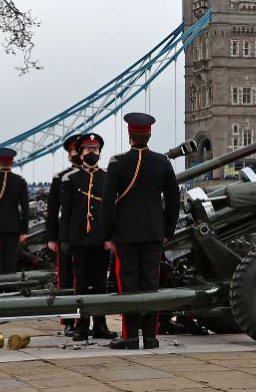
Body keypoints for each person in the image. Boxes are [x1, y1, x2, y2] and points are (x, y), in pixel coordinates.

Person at [102, 113, 180, 350]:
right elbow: (174, 199)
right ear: (149, 134)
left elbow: (107, 202)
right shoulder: (162, 162)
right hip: (154, 233)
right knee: (151, 283)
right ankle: (150, 337)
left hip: (125, 234)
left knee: (128, 284)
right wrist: (167, 230)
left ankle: (130, 337)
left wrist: (107, 235)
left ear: (129, 135)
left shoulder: (117, 163)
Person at [63, 133, 116, 341]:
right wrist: (65, 239)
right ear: (81, 153)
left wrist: (110, 236)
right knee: (82, 284)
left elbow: (111, 210)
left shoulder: (106, 177)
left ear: (100, 153)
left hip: (100, 239)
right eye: (87, 150)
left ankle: (100, 325)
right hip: (79, 240)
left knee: (100, 283)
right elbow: (65, 212)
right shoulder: (71, 179)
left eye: (94, 150)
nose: (91, 153)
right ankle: (82, 325)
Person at [48, 134, 82, 335]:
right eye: (74, 151)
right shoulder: (60, 178)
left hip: (90, 236)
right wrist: (52, 238)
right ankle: (69, 320)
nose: (77, 154)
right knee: (67, 279)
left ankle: (95, 320)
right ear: (69, 155)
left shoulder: (99, 176)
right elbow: (53, 211)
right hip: (66, 236)